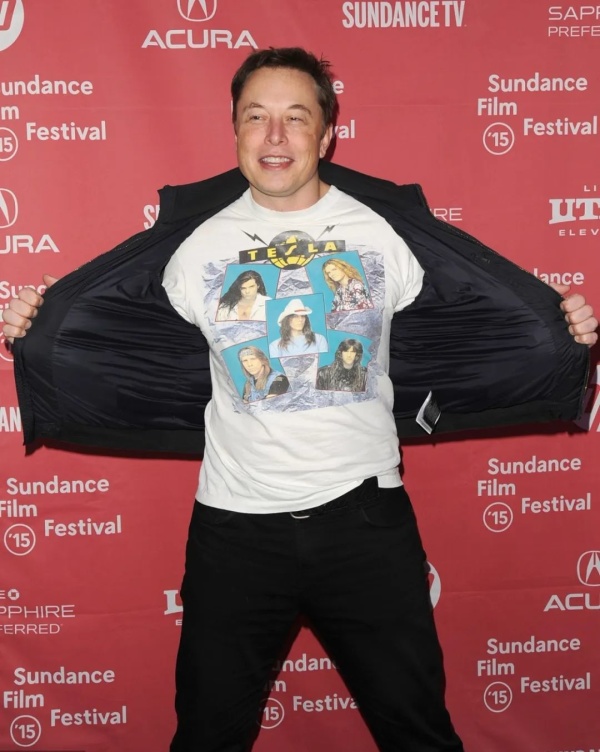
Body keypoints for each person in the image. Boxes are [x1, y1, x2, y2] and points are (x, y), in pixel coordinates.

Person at [2, 47, 598, 752]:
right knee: (206, 739)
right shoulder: (192, 249)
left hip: (364, 523)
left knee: (420, 736)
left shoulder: (386, 235)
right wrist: (43, 327)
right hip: (235, 529)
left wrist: (555, 331)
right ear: (235, 130)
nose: (275, 137)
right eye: (256, 117)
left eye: (296, 117)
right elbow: (122, 343)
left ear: (327, 134)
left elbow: (471, 325)